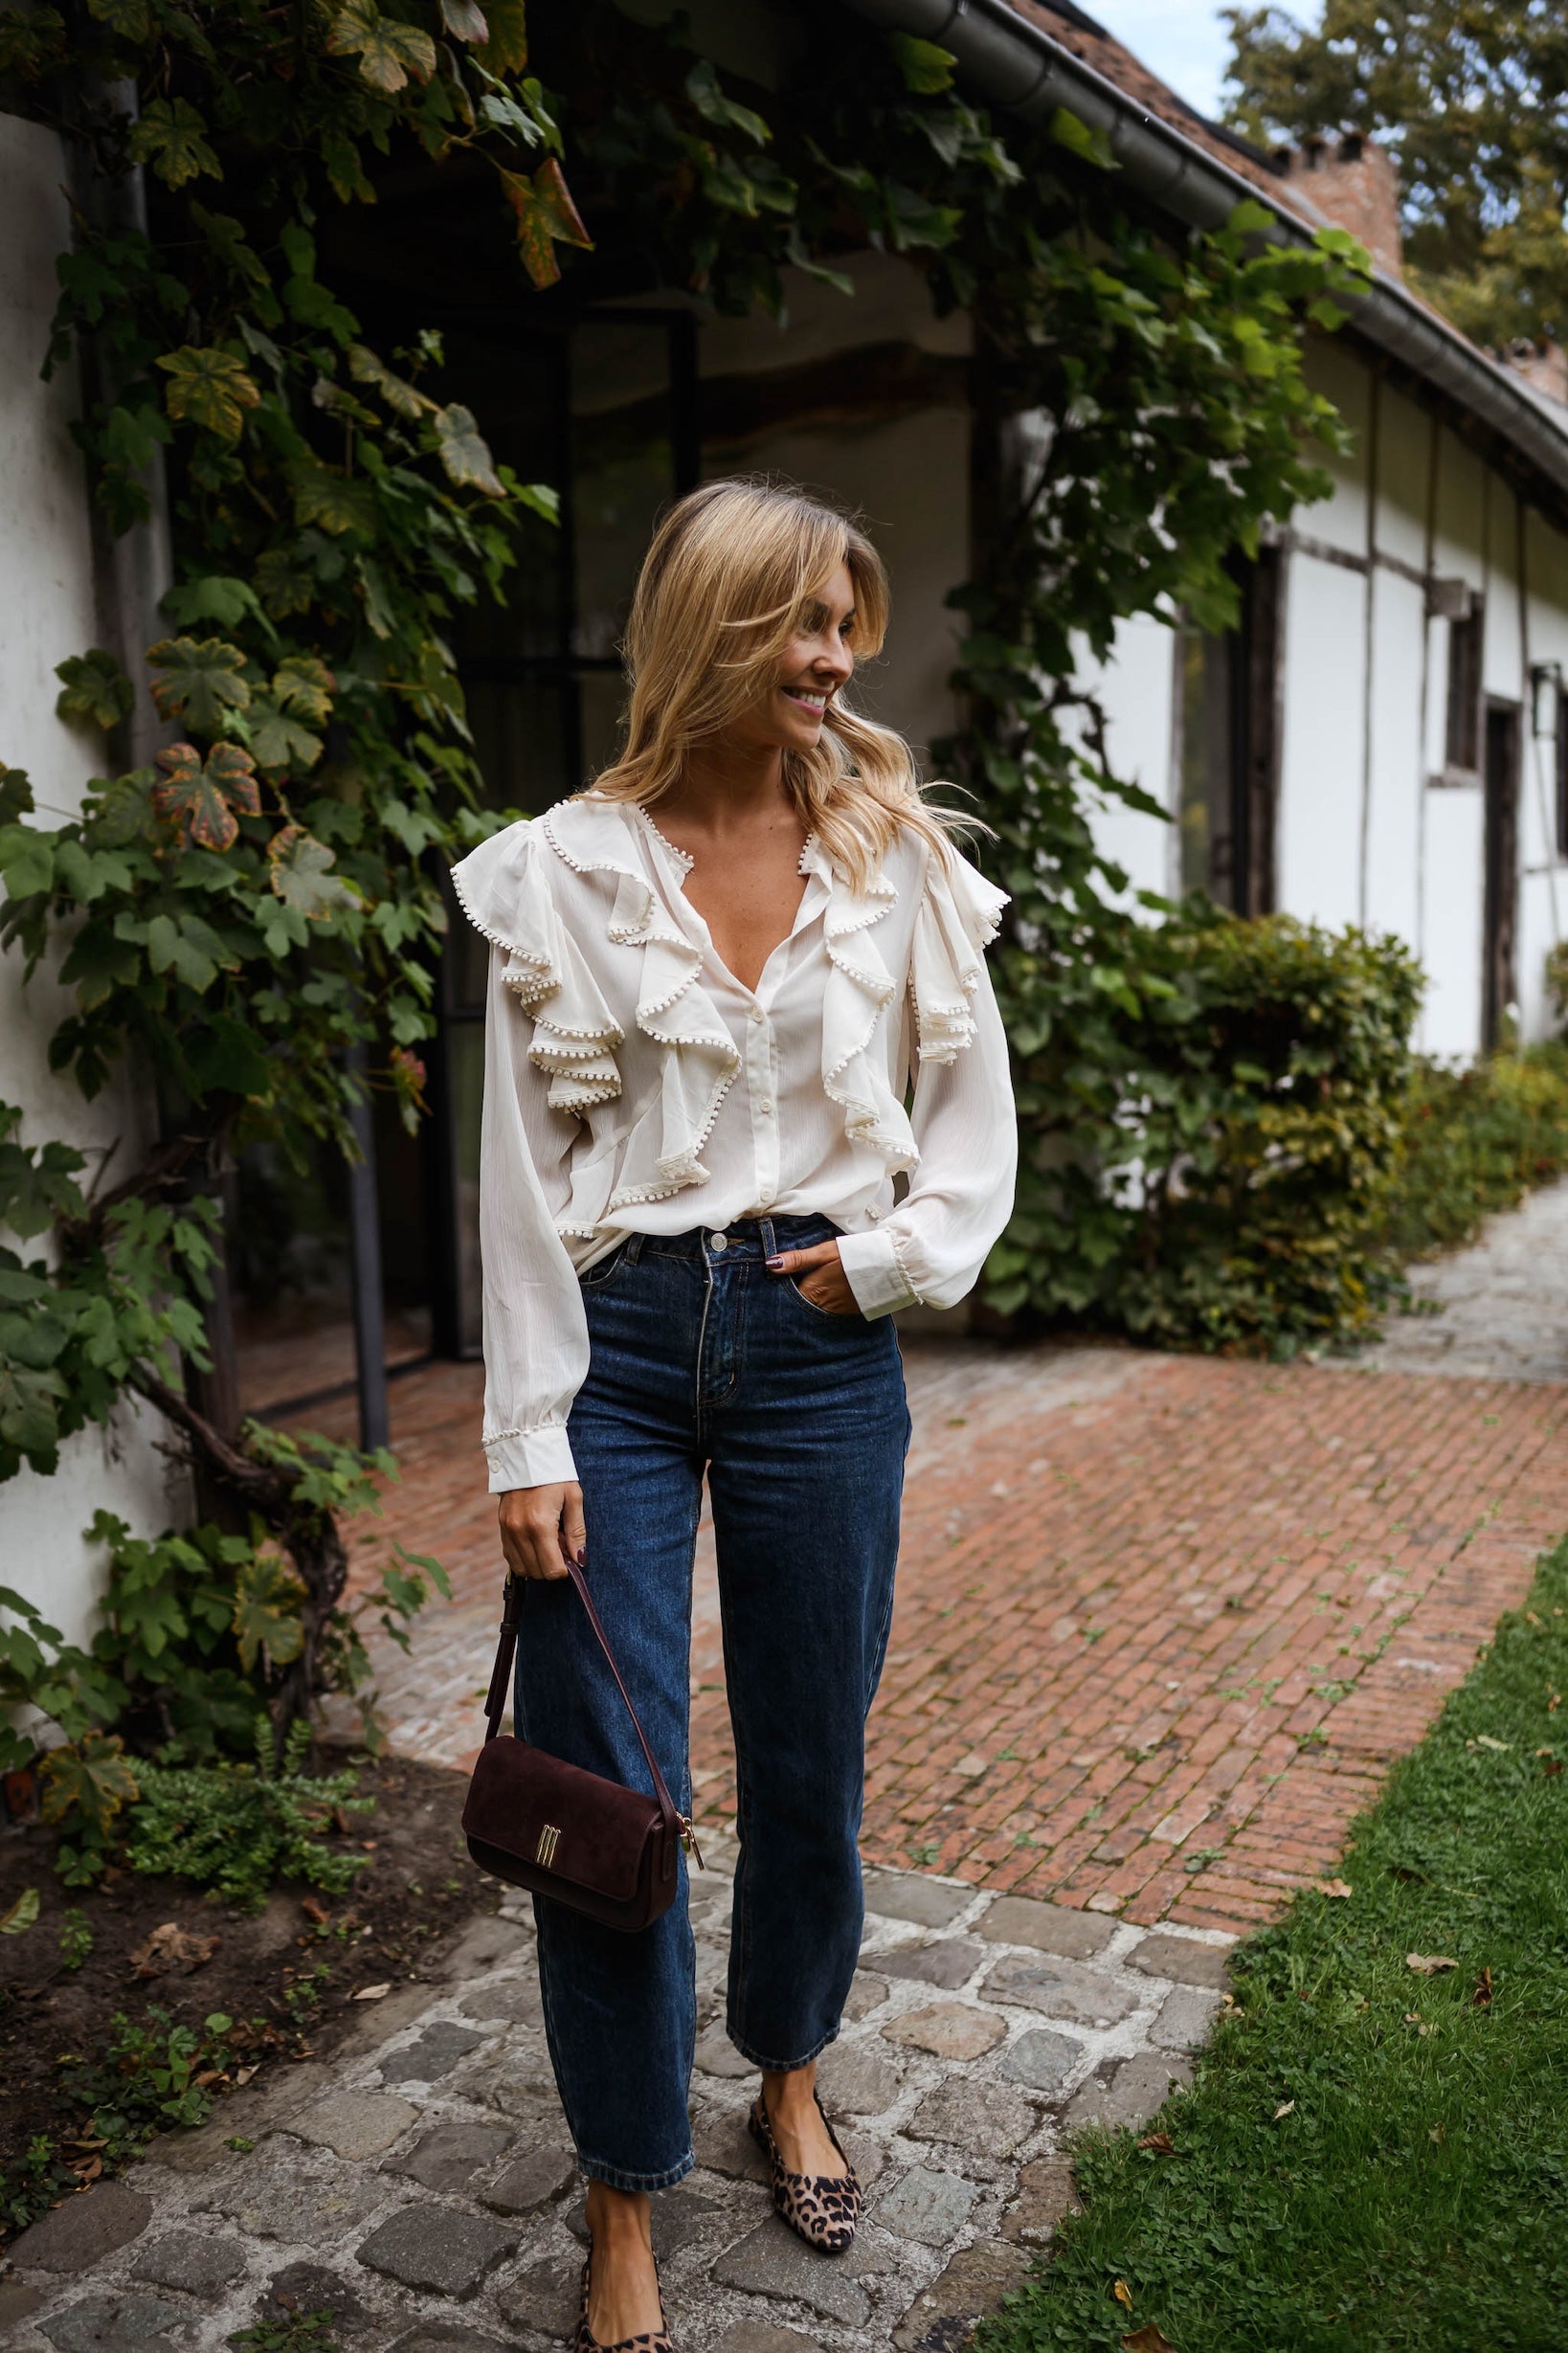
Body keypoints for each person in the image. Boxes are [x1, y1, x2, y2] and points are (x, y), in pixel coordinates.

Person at [451, 478, 1017, 2353]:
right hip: (613, 1343)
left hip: (815, 1335)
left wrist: (893, 1262)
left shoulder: (893, 858)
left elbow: (974, 1124)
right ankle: (624, 2188)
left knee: (806, 1752)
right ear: (708, 628)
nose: (836, 655)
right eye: (801, 621)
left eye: (849, 622)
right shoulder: (560, 868)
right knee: (607, 1777)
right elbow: (519, 1171)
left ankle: (789, 2071)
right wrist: (527, 1432)